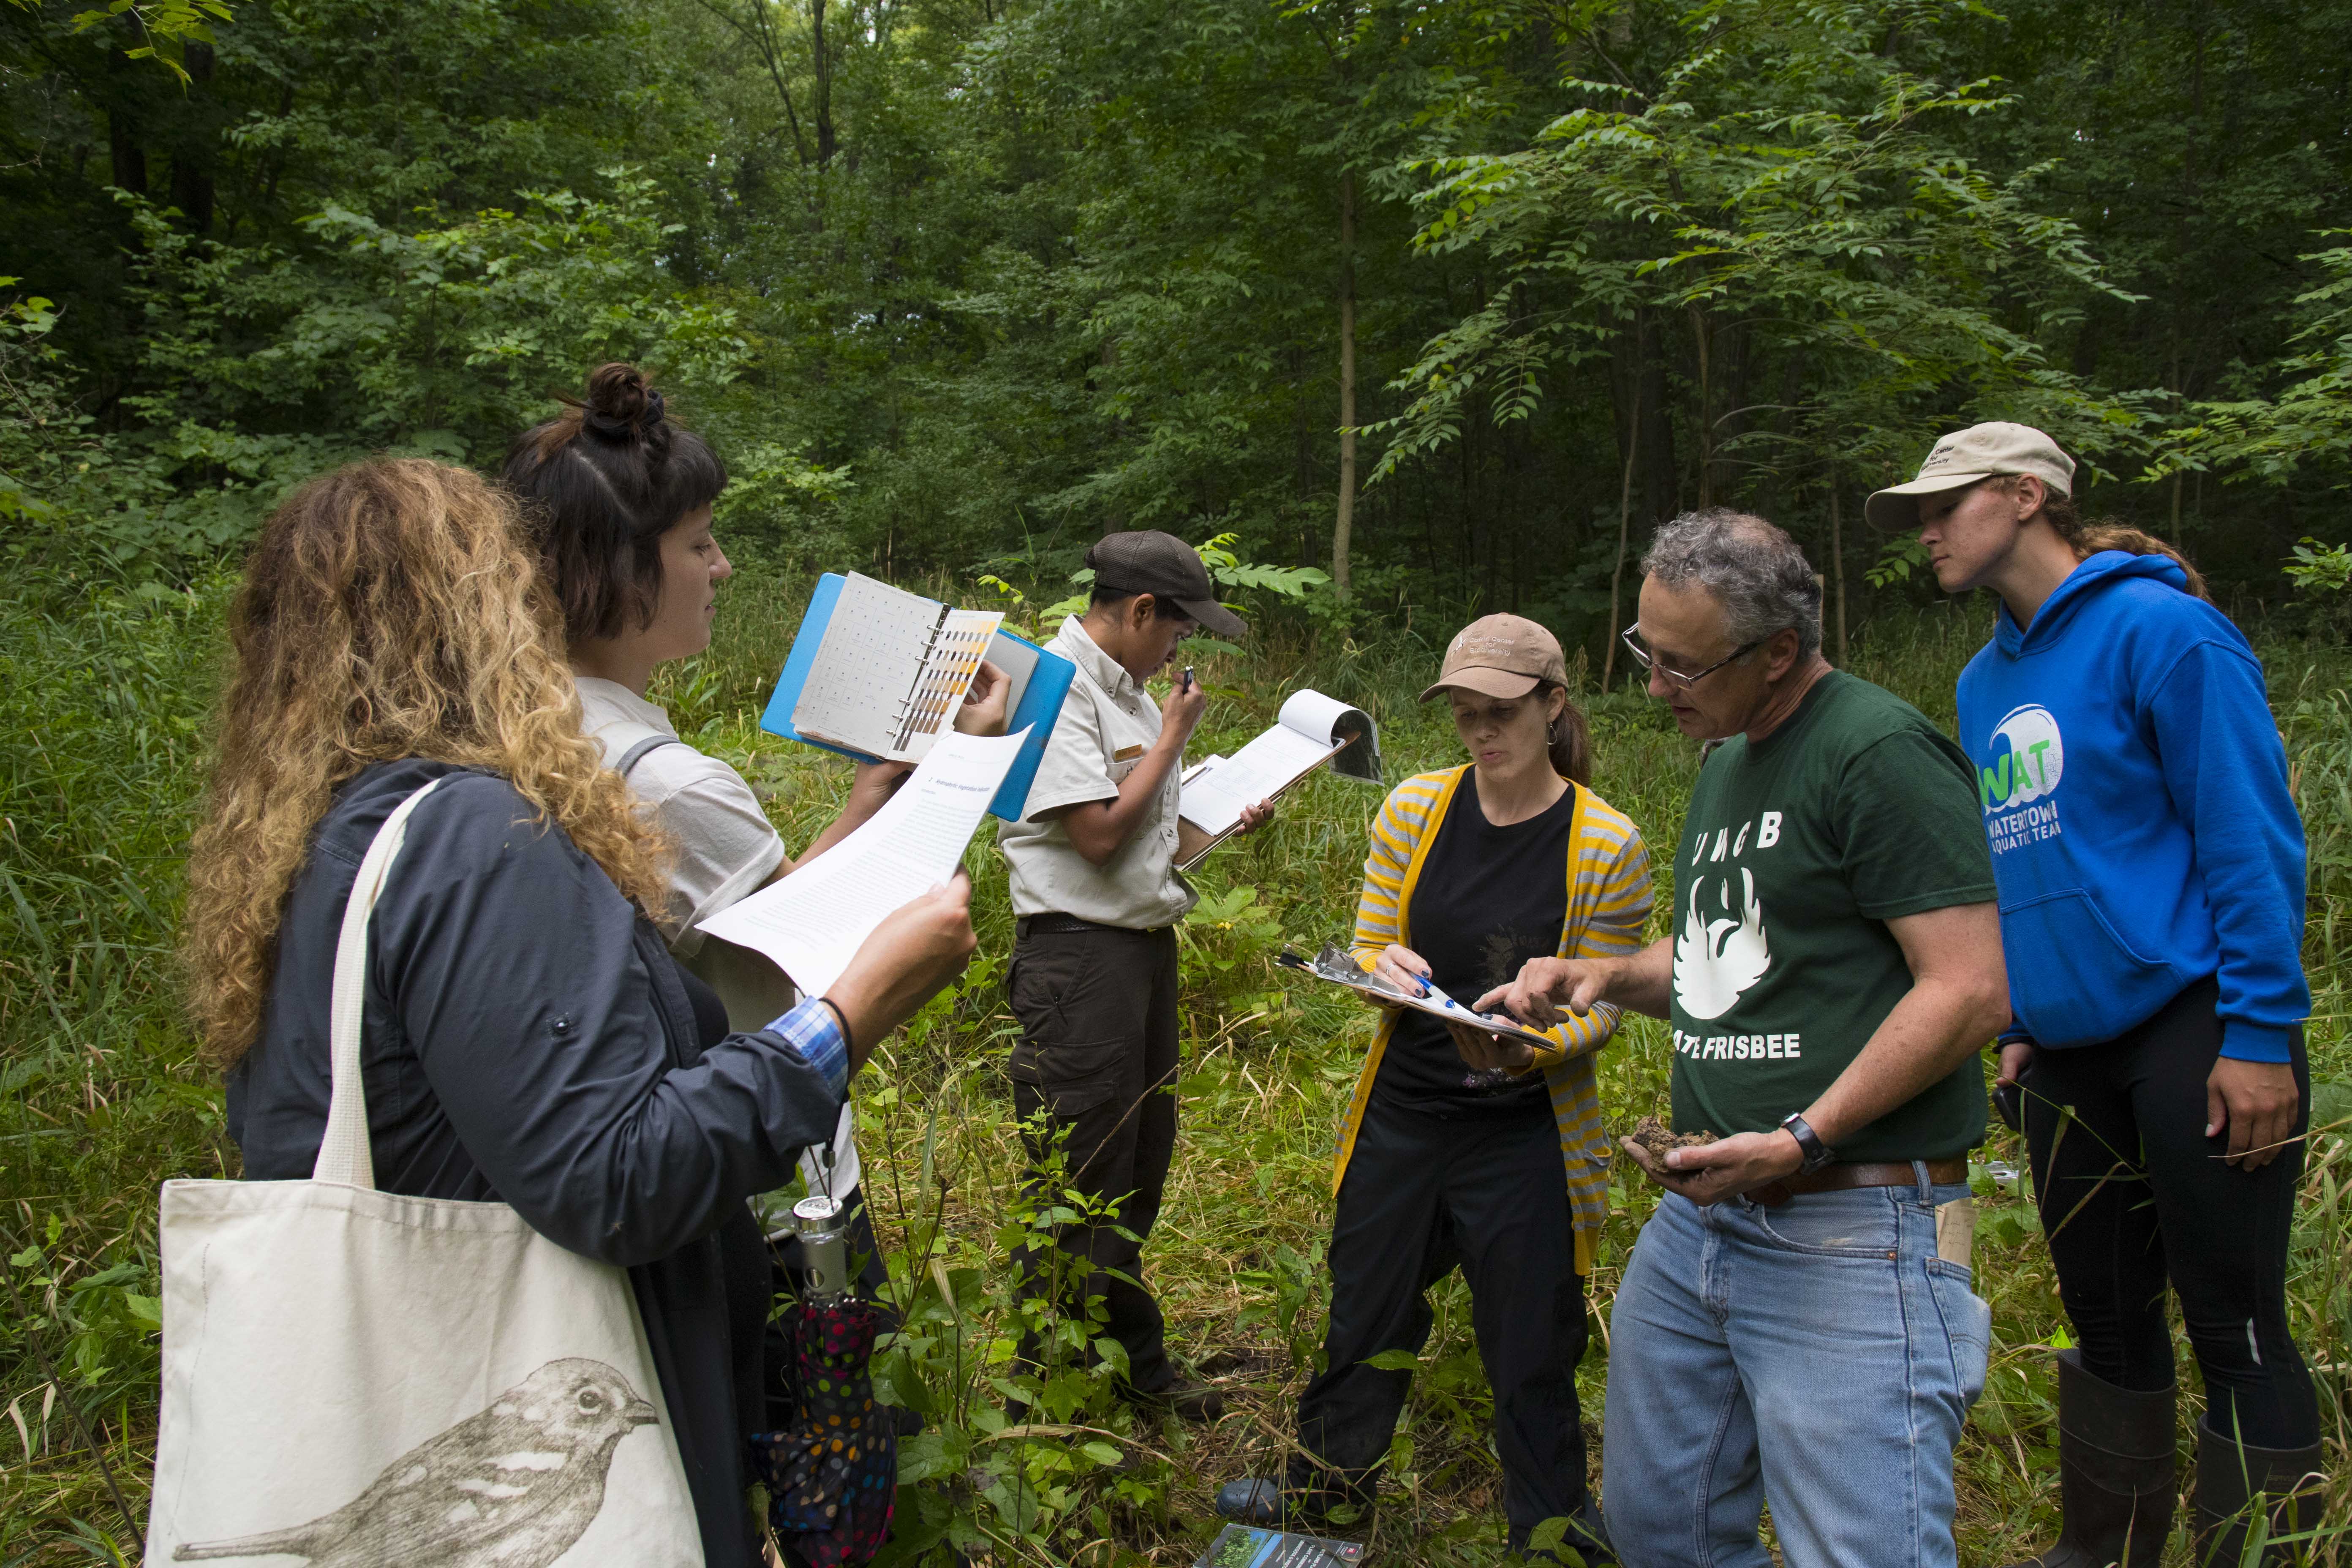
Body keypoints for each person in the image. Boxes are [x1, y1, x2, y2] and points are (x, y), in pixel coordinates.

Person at [181, 458, 977, 1568]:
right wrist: (843, 1020)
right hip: (543, 1364)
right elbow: (619, 1175)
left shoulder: (331, 836)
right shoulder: (478, 839)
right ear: (481, 613)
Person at [1484, 509, 2009, 1568]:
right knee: (1658, 1522)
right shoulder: (1731, 757)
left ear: (1779, 652)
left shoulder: (1876, 751)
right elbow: (1740, 960)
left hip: (1854, 1226)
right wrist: (1608, 972)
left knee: (1866, 1547)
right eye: (1645, 650)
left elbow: (1971, 987)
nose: (1655, 686)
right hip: (1701, 1225)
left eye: (1685, 664)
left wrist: (1803, 1138)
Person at [1872, 422, 2321, 1568]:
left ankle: (2257, 1554)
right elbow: (2020, 869)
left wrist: (2262, 1033)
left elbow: (2248, 838)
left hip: (2199, 1028)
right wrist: (2019, 1025)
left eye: (1947, 505)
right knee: (2107, 1321)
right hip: (2066, 1051)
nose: (1925, 530)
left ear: (2026, 495)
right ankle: (2103, 1551)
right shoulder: (1984, 681)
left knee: (2236, 1326)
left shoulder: (2165, 633)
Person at [500, 362, 1004, 1305]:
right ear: (619, 570)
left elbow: (749, 919)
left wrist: (864, 804)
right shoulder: (674, 783)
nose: (723, 565)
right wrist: (953, 770)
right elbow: (809, 953)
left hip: (646, 1161)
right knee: (844, 1428)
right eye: (699, 543)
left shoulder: (532, 734)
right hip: (770, 1177)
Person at [1214, 615, 1652, 1562]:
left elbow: (1605, 1005)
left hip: (1524, 1126)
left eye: (1500, 711)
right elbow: (1373, 937)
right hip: (1406, 1108)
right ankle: (1328, 1493)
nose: (1482, 732)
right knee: (1364, 1306)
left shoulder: (1607, 843)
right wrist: (1386, 965)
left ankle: (1551, 1525)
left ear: (1553, 705)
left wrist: (1523, 1049)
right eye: (1464, 713)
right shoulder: (1415, 808)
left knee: (1534, 1335)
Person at [994, 530, 1274, 1421]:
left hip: (1139, 949)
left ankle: (1118, 1363)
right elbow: (1098, 836)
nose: (1179, 654)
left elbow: (1152, 834)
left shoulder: (1132, 694)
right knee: (1080, 1169)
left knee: (1137, 1163)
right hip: (1078, 959)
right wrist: (1173, 738)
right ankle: (1059, 1389)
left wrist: (1223, 813)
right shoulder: (1057, 687)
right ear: (1141, 610)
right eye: (1178, 633)